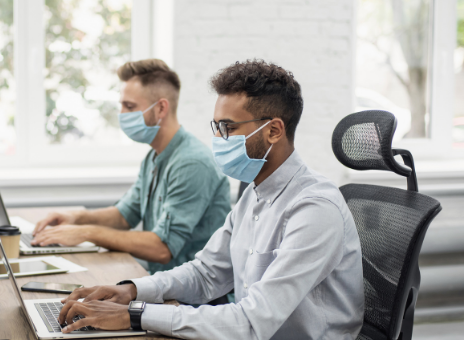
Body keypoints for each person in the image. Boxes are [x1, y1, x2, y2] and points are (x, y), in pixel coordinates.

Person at [55, 60, 365, 339]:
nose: (219, 139)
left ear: (273, 131)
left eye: (228, 128)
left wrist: (136, 315)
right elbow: (207, 274)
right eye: (216, 127)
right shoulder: (254, 195)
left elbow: (252, 322)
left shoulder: (314, 209)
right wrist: (131, 291)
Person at [32, 59, 231, 274]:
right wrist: (76, 218)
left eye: (130, 107)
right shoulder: (155, 156)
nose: (122, 115)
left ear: (161, 108)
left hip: (196, 299)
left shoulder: (191, 163)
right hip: (164, 282)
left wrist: (87, 233)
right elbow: (123, 216)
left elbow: (162, 248)